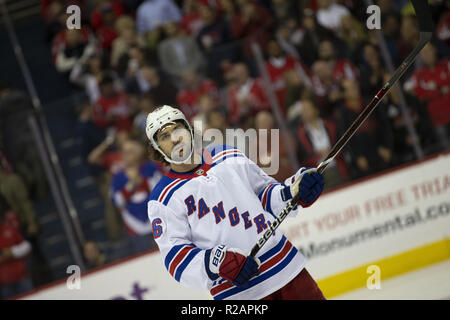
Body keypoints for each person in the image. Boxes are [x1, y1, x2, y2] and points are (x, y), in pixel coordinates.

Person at [145, 105, 326, 300]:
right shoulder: (163, 199)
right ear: (157, 149)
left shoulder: (227, 155)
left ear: (189, 130)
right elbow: (175, 257)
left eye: (177, 130)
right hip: (240, 294)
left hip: (288, 273)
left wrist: (293, 192)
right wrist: (217, 263)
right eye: (164, 137)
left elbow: (264, 195)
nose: (174, 139)